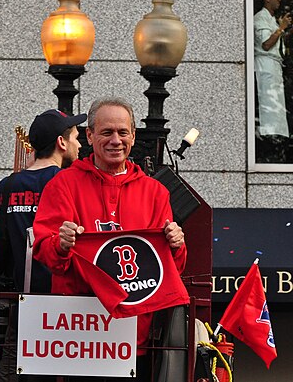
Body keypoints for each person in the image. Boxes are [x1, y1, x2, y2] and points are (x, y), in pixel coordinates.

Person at [32, 97, 187, 382]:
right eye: (106, 132)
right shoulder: (63, 185)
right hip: (78, 336)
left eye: (122, 132)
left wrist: (177, 245)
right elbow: (44, 251)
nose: (115, 140)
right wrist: (61, 244)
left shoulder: (156, 193)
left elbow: (168, 268)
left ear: (133, 136)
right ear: (90, 136)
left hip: (132, 337)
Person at [0, 109, 85, 382]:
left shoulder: (8, 185)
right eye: (76, 137)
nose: (80, 145)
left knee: (24, 370)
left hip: (22, 297)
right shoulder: (67, 182)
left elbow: (3, 241)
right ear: (61, 142)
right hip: (62, 298)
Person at [254, 0, 292, 162]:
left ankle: (276, 138)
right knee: (269, 103)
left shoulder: (271, 19)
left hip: (275, 67)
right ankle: (269, 138)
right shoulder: (260, 18)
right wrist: (281, 28)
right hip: (266, 66)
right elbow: (266, 45)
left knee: (276, 106)